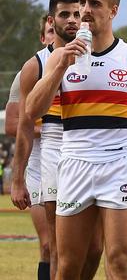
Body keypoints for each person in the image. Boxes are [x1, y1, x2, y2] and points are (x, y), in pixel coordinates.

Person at [25, 0, 127, 280]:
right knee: (69, 266)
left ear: (113, 10)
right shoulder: (59, 58)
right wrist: (61, 65)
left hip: (117, 164)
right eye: (82, 3)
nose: (85, 10)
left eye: (94, 3)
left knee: (119, 261)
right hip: (74, 163)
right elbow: (31, 110)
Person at [10, 0, 105, 280]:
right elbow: (24, 126)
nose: (73, 20)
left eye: (77, 13)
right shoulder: (35, 66)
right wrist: (17, 179)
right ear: (52, 20)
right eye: (65, 14)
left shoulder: (98, 56)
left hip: (92, 149)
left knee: (95, 249)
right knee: (57, 246)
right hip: (53, 149)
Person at [6, 15, 55, 279]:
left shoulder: (82, 66)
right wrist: (48, 128)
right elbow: (12, 125)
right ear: (43, 36)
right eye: (49, 32)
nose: (53, 36)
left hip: (75, 159)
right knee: (48, 245)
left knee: (78, 249)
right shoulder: (30, 70)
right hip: (37, 163)